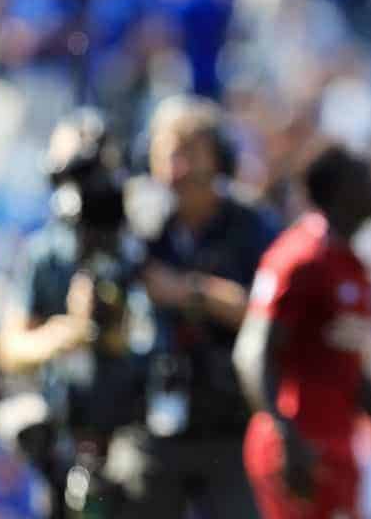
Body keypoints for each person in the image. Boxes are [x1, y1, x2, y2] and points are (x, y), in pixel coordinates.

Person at [116, 95, 279, 518]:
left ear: (219, 160)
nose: (178, 170)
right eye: (167, 156)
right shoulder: (137, 224)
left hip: (228, 420)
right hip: (151, 415)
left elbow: (269, 312)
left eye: (190, 154)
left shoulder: (250, 223)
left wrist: (190, 292)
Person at [0, 108, 147, 518]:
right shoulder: (44, 253)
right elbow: (11, 348)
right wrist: (67, 333)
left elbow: (147, 335)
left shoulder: (140, 248)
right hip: (63, 429)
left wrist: (116, 328)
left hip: (133, 429)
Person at [235, 143, 371, 519]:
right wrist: (286, 436)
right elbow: (251, 353)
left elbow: (347, 372)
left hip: (337, 444)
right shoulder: (300, 257)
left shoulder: (350, 264)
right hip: (301, 447)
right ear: (342, 190)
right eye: (366, 177)